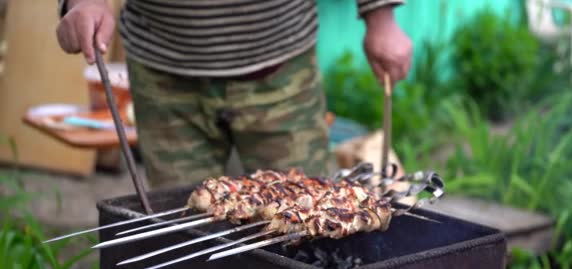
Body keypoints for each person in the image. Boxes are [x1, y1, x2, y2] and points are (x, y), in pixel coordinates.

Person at [56, 0, 413, 189]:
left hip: (280, 67)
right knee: (183, 233)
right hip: (163, 72)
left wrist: (379, 17)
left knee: (310, 224)